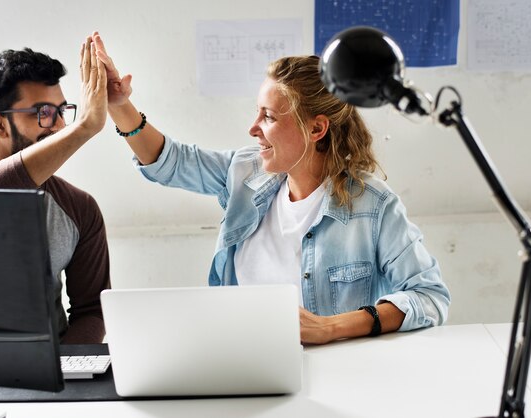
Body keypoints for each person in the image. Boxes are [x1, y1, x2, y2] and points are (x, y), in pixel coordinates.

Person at [93, 32, 450, 345]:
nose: (253, 128)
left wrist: (331, 327)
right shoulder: (244, 175)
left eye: (268, 117)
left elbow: (429, 297)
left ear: (316, 129)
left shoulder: (374, 207)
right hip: (243, 360)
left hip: (339, 373)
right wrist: (120, 105)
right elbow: (169, 161)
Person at [0, 38, 110, 344]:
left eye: (63, 111)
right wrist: (83, 128)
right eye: (42, 112)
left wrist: (61, 369)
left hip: (49, 374)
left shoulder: (80, 208)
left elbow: (92, 310)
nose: (59, 126)